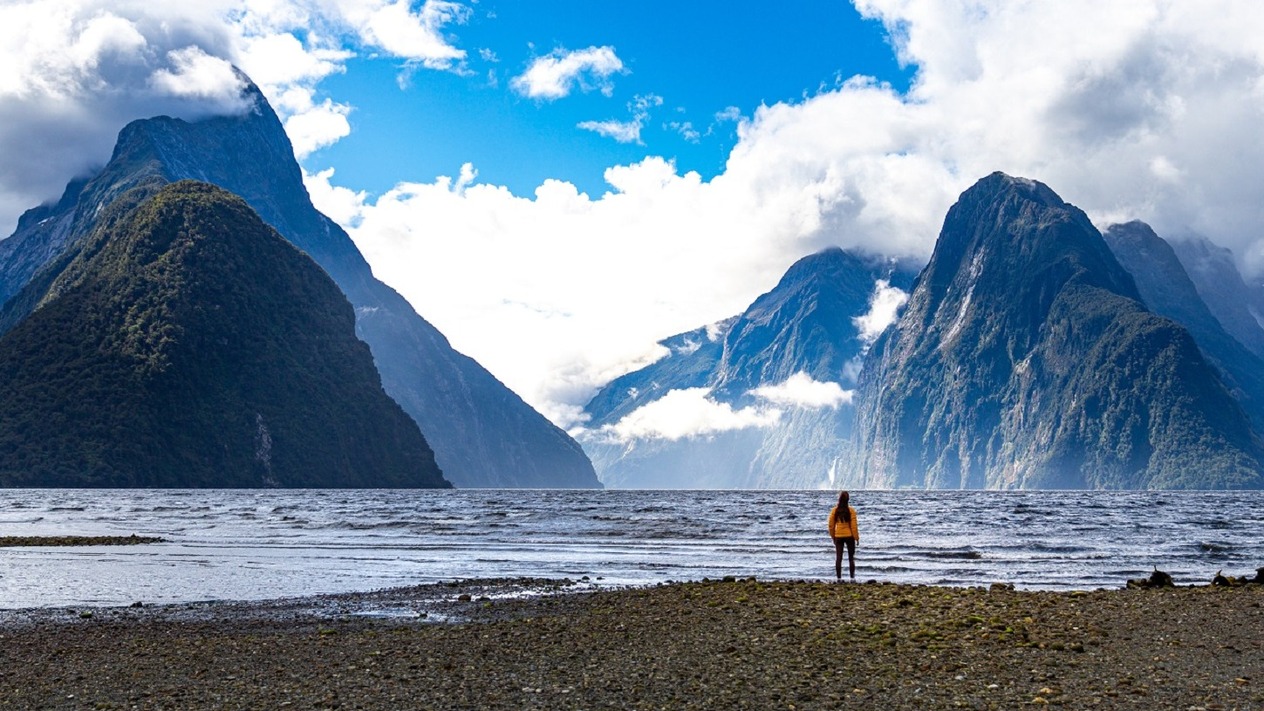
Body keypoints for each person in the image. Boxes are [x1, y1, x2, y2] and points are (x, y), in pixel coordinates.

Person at [828, 490, 859, 581]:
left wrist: (833, 536)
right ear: (848, 499)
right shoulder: (851, 511)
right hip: (849, 536)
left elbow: (831, 525)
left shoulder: (835, 510)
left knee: (838, 558)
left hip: (838, 536)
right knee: (851, 558)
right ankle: (852, 578)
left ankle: (839, 578)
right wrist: (856, 537)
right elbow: (854, 526)